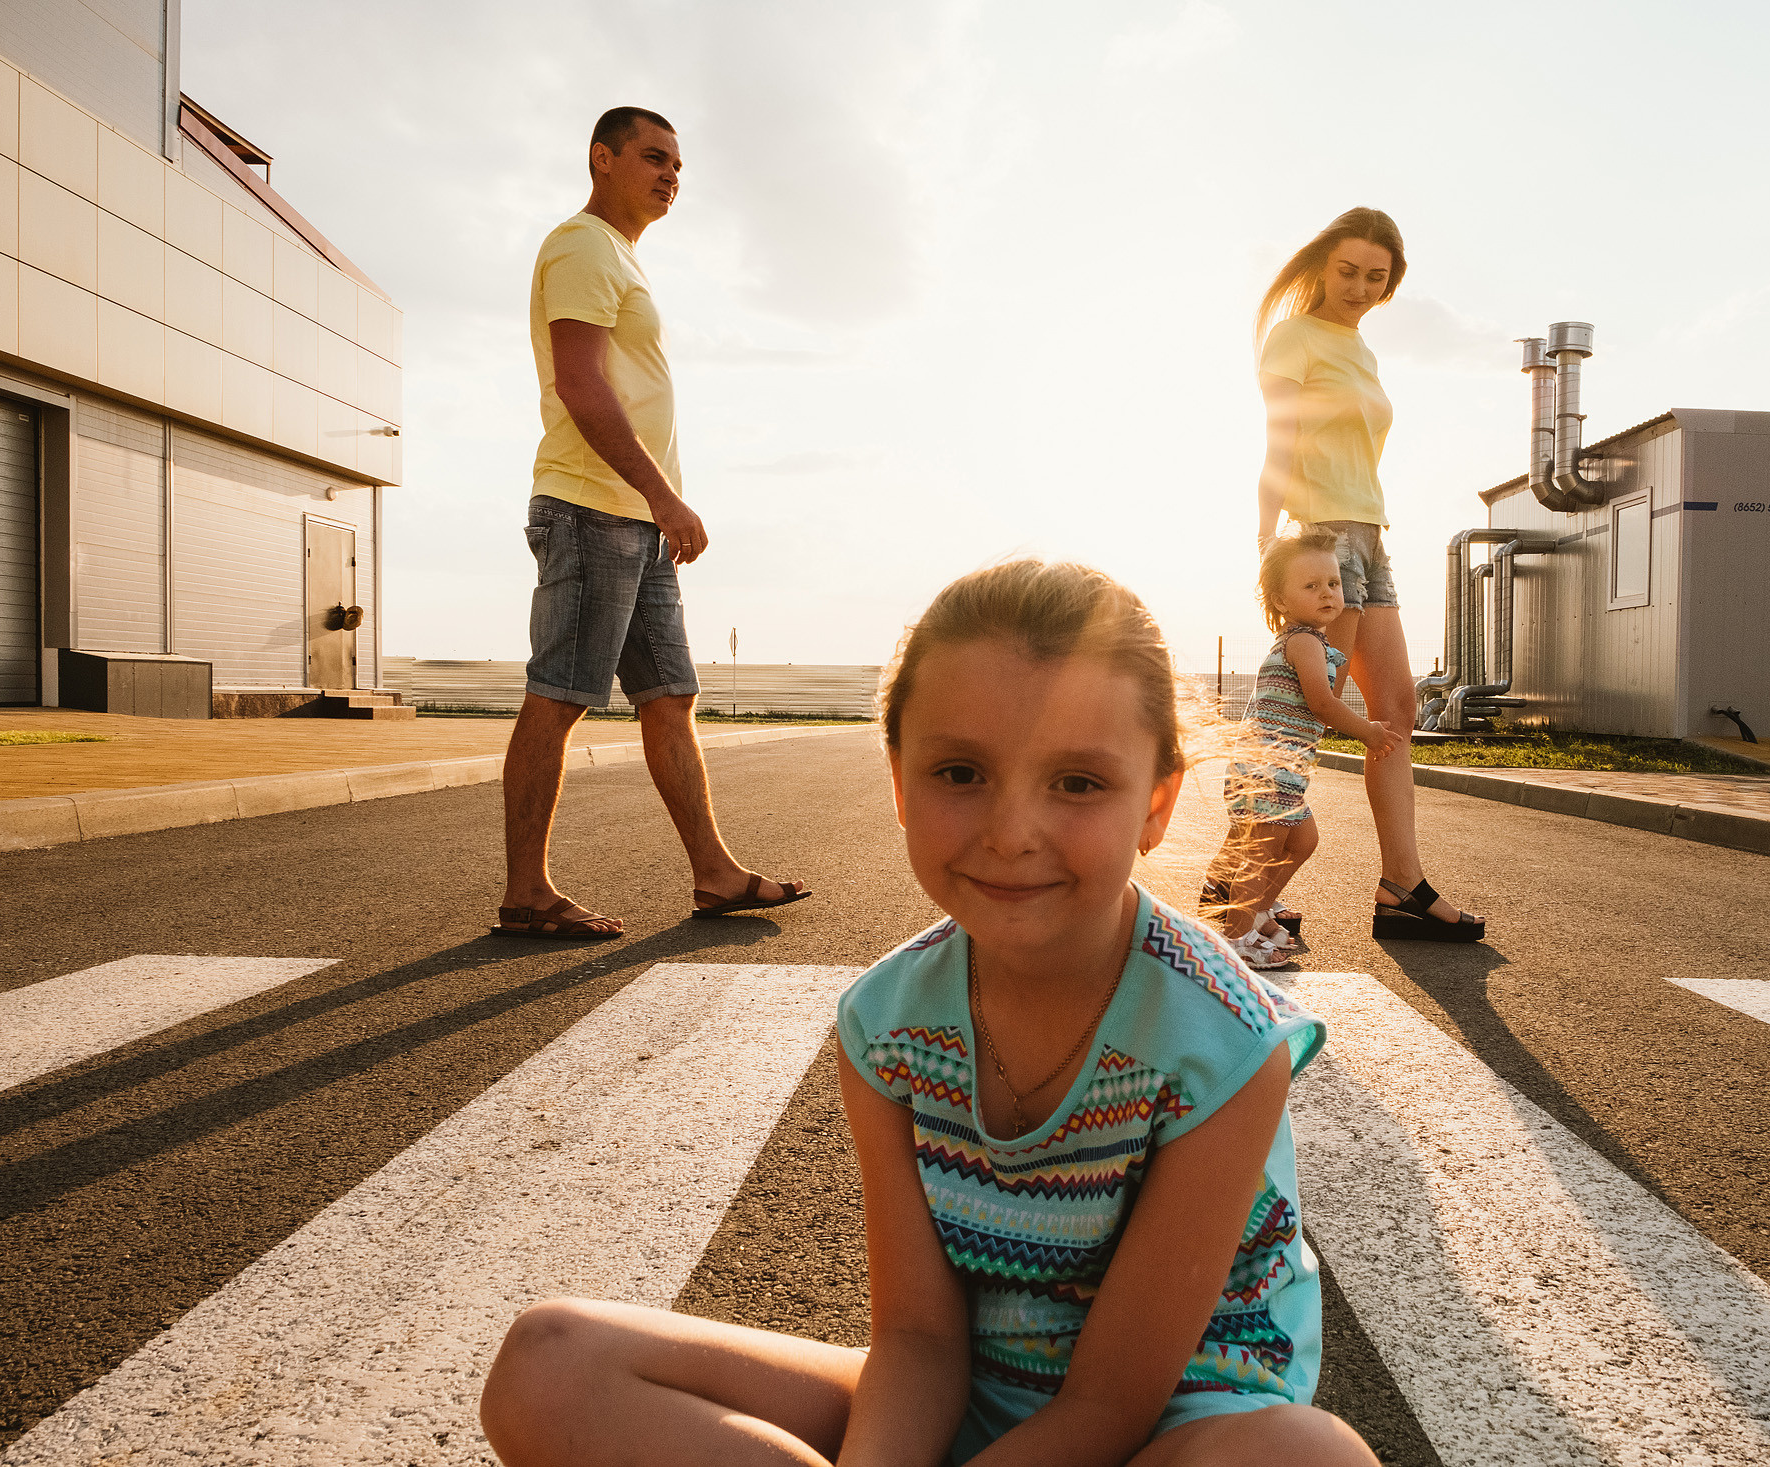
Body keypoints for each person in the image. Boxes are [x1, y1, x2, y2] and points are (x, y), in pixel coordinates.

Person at [479, 560, 1379, 1467]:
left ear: (1156, 803)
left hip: (1175, 1426)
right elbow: (916, 1340)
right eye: (960, 772)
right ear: (901, 784)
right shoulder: (885, 1023)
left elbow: (1109, 1404)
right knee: (548, 1364)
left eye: (1077, 782)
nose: (1012, 832)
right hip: (970, 1399)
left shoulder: (1226, 1039)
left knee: (1312, 1458)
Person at [496, 106, 806, 939]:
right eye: (653, 157)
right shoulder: (582, 245)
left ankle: (715, 873)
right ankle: (527, 893)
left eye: (677, 165)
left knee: (670, 696)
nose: (670, 174)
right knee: (560, 696)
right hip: (592, 507)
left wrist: (658, 504)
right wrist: (664, 494)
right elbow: (579, 381)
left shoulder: (620, 256)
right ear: (602, 159)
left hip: (636, 518)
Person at [1253, 206, 1484, 942]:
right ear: (1322, 266)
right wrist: (1268, 534)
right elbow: (1279, 438)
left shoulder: (1359, 348)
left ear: (1391, 285)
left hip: (1369, 535)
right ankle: (1240, 886)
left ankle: (1400, 886)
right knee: (1310, 710)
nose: (1359, 287)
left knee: (1397, 710)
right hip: (1324, 536)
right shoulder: (1293, 336)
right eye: (1348, 271)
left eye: (1375, 278)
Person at [1207, 529, 1402, 970]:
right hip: (1268, 769)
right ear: (1281, 601)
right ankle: (1235, 940)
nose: (1327, 593)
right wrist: (1367, 731)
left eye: (1333, 583)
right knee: (1260, 857)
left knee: (1303, 840)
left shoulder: (1313, 642)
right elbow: (1322, 703)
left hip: (1284, 772)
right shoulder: (1302, 642)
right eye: (1311, 586)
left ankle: (1258, 912)